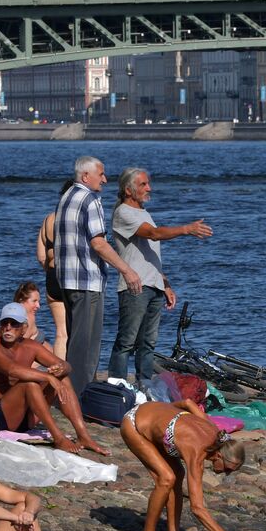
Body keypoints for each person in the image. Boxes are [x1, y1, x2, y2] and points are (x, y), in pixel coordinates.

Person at [108, 167, 212, 382]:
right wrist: (186, 229)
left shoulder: (143, 212)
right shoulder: (123, 213)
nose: (149, 188)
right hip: (135, 286)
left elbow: (148, 254)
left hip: (153, 285)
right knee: (127, 341)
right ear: (128, 190)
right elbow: (154, 235)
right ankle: (116, 387)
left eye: (148, 183)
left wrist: (165, 283)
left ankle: (145, 386)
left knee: (148, 343)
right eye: (143, 184)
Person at [54, 157, 141, 394]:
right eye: (101, 174)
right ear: (85, 176)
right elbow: (99, 243)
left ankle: (72, 392)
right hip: (86, 280)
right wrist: (127, 269)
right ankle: (78, 398)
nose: (105, 179)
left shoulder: (66, 197)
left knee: (75, 341)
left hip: (67, 280)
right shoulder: (90, 200)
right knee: (86, 346)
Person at [0, 302, 109, 456]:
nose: (8, 327)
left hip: (22, 418)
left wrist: (61, 369)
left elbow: (65, 365)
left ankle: (83, 436)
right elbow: (12, 370)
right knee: (30, 385)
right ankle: (58, 438)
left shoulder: (30, 346)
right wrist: (47, 376)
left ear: (24, 328)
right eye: (5, 323)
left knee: (62, 377)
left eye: (14, 324)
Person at [120, 400, 246, 531]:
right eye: (227, 469)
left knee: (177, 474)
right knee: (166, 478)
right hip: (133, 424)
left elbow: (187, 403)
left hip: (152, 417)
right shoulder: (197, 453)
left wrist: (167, 413)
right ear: (219, 456)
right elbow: (197, 508)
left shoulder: (217, 434)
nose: (226, 474)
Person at [34, 181, 72, 360]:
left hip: (52, 278)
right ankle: (84, 377)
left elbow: (41, 256)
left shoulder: (49, 219)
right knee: (80, 332)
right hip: (72, 278)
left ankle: (61, 375)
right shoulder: (73, 219)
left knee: (61, 333)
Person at [12, 281, 54, 352]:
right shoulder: (27, 319)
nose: (38, 306)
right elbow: (17, 349)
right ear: (21, 300)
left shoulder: (8, 318)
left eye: (38, 301)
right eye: (34, 301)